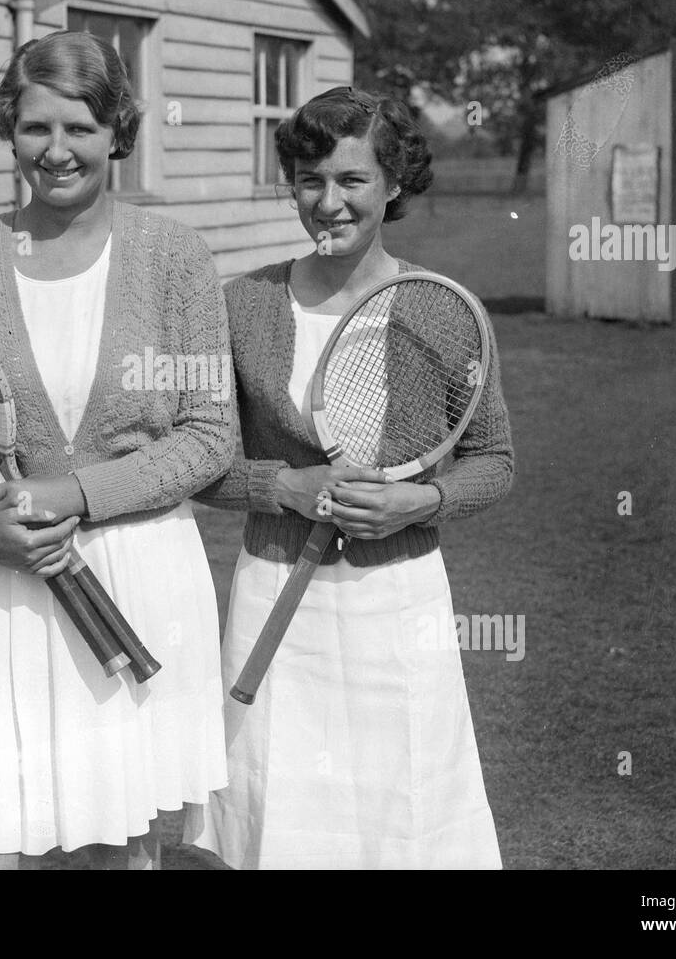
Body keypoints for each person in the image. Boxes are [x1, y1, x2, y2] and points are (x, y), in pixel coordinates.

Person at [0, 31, 234, 870]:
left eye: (81, 129)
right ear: (8, 131)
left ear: (118, 129)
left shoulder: (176, 260)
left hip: (138, 571)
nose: (57, 152)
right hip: (4, 580)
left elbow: (210, 435)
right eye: (35, 129)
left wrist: (74, 495)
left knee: (126, 844)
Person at [185, 86, 513, 869]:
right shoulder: (241, 305)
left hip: (395, 606)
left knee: (401, 818)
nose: (327, 202)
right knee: (276, 814)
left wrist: (420, 501)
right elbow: (198, 462)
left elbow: (494, 461)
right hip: (272, 594)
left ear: (394, 183)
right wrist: (279, 488)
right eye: (308, 180)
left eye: (351, 180)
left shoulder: (444, 310)